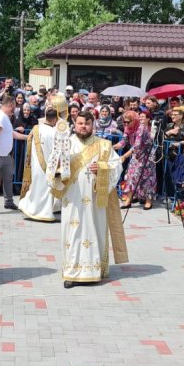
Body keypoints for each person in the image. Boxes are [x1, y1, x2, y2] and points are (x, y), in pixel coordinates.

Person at [47, 110, 126, 288]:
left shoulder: (104, 145)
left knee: (94, 231)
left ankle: (93, 270)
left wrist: (103, 168)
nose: (83, 127)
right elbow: (51, 170)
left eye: (87, 124)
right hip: (72, 200)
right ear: (75, 124)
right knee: (72, 233)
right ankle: (71, 272)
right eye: (80, 123)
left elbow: (117, 165)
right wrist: (58, 166)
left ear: (93, 125)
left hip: (95, 200)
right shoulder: (66, 144)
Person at [18, 105, 61, 222]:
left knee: (36, 187)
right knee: (46, 189)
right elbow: (56, 152)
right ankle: (45, 213)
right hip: (48, 166)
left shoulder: (36, 129)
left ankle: (29, 208)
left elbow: (29, 141)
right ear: (55, 119)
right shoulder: (55, 132)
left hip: (35, 164)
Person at [118, 110, 157, 210]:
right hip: (136, 155)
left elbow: (137, 145)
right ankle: (128, 200)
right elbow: (123, 142)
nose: (126, 124)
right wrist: (111, 146)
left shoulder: (141, 128)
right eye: (124, 122)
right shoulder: (127, 128)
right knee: (131, 176)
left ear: (134, 120)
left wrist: (124, 156)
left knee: (147, 178)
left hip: (147, 156)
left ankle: (148, 201)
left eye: (128, 122)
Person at [0, 95, 18, 210]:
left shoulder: (3, 117)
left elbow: (11, 134)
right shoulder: (0, 117)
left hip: (5, 155)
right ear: (10, 105)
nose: (14, 109)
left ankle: (9, 201)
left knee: (8, 178)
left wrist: (27, 137)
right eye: (14, 106)